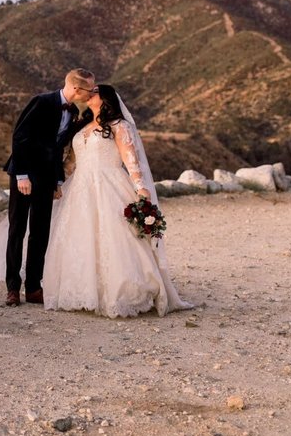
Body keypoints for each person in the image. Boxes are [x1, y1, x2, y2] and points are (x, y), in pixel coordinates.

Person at [39, 83, 192, 317]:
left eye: (95, 91)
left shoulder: (120, 127)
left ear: (107, 99)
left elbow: (131, 161)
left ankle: (121, 292)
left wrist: (142, 189)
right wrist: (59, 182)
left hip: (110, 184)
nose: (90, 93)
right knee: (79, 236)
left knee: (115, 236)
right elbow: (72, 162)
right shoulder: (82, 126)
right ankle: (82, 291)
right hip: (80, 187)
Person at [0, 68, 95, 306]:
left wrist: (57, 180)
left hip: (47, 178)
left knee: (40, 232)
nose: (90, 94)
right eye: (89, 90)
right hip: (24, 173)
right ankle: (12, 288)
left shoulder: (72, 111)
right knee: (17, 229)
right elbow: (20, 137)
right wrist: (21, 176)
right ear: (76, 88)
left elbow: (59, 148)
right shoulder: (41, 102)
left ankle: (33, 287)